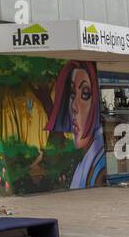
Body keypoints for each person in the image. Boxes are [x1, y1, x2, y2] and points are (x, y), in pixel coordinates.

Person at [44, 61, 107, 189]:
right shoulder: (86, 160)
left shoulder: (99, 167)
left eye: (85, 94)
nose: (74, 106)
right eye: (72, 94)